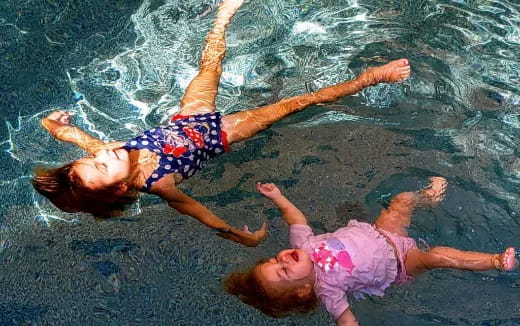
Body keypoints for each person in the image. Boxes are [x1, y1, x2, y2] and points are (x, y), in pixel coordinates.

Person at [32, 0, 411, 247]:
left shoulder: (103, 151)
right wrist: (235, 235)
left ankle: (223, 14)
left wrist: (52, 123)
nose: (105, 155)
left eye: (95, 159)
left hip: (189, 117)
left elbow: (71, 134)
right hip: (220, 134)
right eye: (103, 168)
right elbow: (197, 211)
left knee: (210, 64)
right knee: (295, 103)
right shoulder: (159, 184)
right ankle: (369, 78)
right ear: (116, 191)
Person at [223, 177, 518, 324]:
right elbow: (346, 321)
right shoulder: (329, 290)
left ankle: (429, 197)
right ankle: (494, 261)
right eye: (284, 269)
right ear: (302, 291)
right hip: (401, 263)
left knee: (403, 200)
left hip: (383, 233)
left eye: (276, 259)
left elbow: (296, 219)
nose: (283, 257)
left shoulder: (304, 245)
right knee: (436, 256)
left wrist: (278, 196)